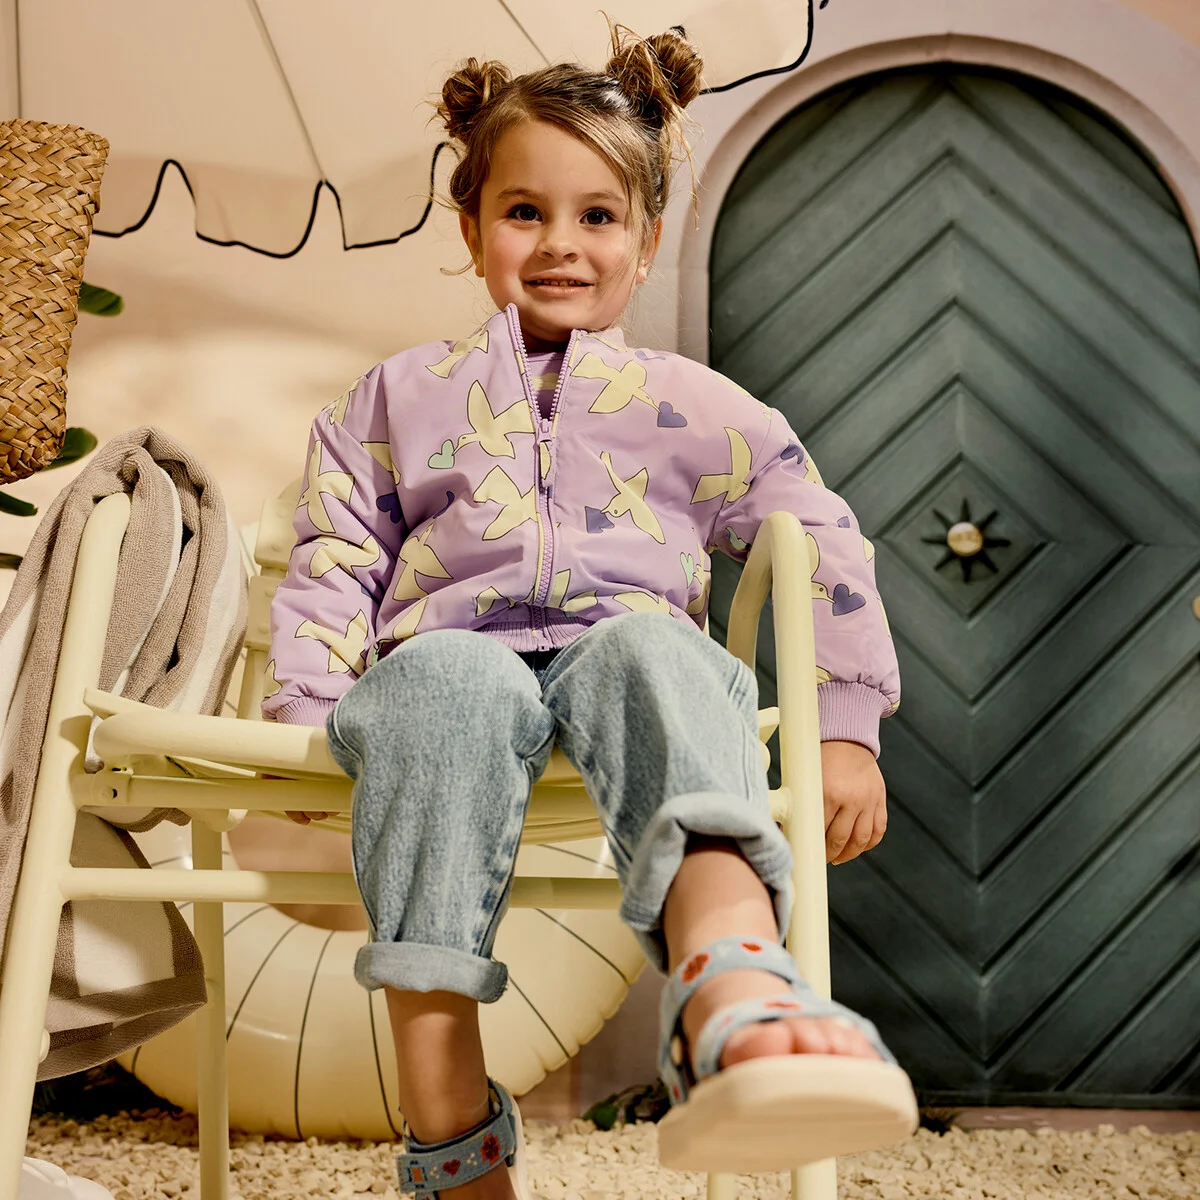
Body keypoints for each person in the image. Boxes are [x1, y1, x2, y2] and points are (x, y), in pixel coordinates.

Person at [264, 20, 916, 1200]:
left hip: (627, 656)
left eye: (599, 216)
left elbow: (816, 537)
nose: (561, 242)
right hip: (448, 664)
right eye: (525, 211)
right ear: (471, 228)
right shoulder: (399, 396)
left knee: (656, 654)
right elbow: (337, 552)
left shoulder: (698, 406)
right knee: (442, 684)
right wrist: (306, 713)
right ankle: (445, 1115)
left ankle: (732, 989)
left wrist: (843, 723)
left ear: (647, 240)